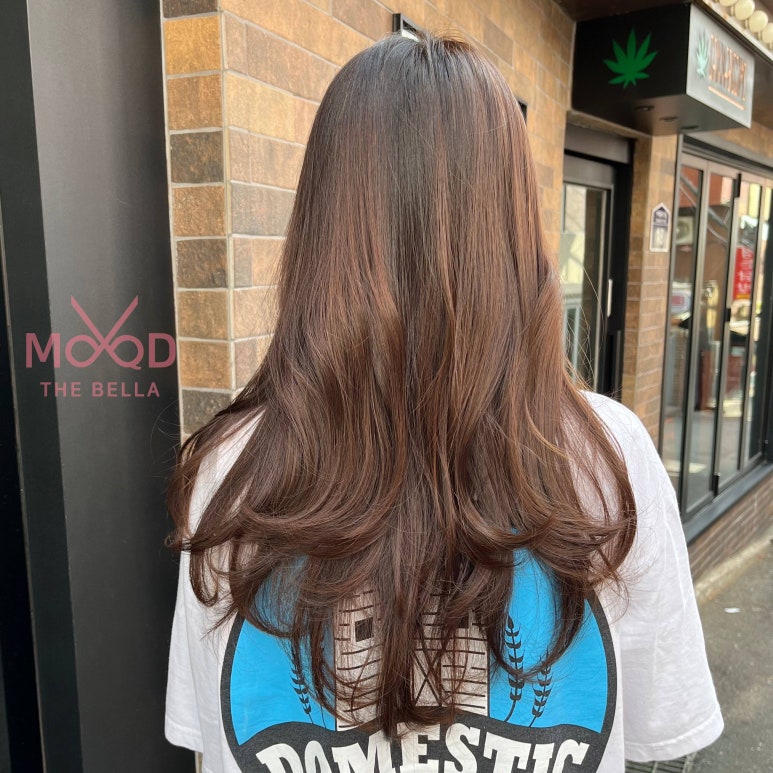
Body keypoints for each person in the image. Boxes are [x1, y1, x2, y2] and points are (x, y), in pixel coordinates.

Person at [165, 31, 723, 773]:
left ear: (319, 231)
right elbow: (658, 731)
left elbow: (219, 743)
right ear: (512, 226)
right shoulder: (605, 458)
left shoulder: (232, 468)